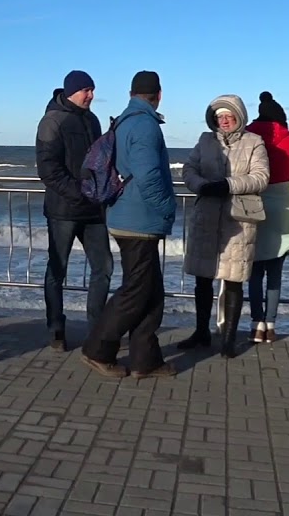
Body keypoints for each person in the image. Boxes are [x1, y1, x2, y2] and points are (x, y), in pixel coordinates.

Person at [79, 71, 178, 379]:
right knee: (136, 291)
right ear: (159, 95)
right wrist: (167, 206)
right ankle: (97, 349)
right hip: (139, 221)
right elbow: (148, 176)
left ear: (132, 93)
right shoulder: (145, 125)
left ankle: (145, 359)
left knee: (151, 292)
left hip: (126, 216)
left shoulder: (124, 120)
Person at [180, 95, 270, 359]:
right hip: (206, 217)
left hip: (238, 222)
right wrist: (200, 186)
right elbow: (188, 169)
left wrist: (228, 185)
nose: (225, 120)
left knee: (233, 280)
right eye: (220, 116)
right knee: (202, 279)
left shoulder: (254, 142)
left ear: (239, 116)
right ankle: (201, 332)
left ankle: (229, 339)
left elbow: (260, 177)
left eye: (229, 115)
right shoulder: (205, 141)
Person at [34, 70, 113, 351]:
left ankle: (97, 328)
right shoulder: (52, 121)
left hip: (93, 210)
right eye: (86, 90)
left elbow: (100, 160)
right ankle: (56, 327)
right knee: (57, 270)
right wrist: (79, 192)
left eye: (92, 90)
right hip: (63, 210)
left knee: (104, 267)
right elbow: (48, 170)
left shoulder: (92, 119)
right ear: (71, 91)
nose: (91, 95)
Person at [244, 92, 289, 344]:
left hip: (253, 201)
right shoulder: (286, 136)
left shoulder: (248, 134)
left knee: (255, 269)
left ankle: (255, 324)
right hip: (282, 204)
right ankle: (270, 324)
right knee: (275, 270)